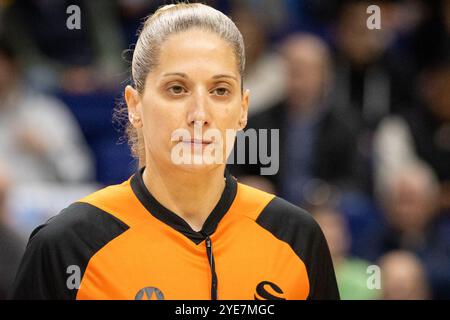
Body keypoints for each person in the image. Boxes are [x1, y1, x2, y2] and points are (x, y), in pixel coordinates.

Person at [9, 3, 339, 300]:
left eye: (220, 90)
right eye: (177, 89)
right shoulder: (68, 246)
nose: (199, 113)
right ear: (134, 105)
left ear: (243, 110)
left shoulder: (297, 237)